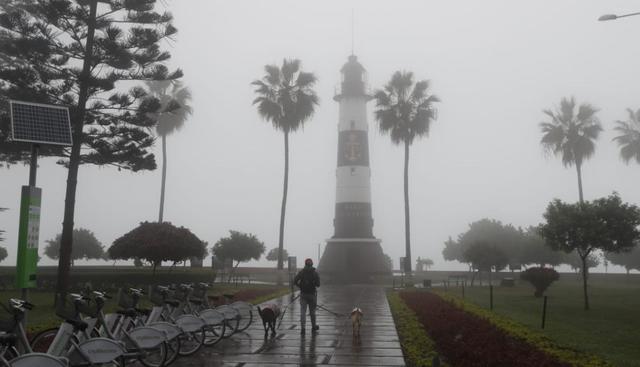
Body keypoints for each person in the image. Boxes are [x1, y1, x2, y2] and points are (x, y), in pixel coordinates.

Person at [293, 258, 320, 335]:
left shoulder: (301, 272)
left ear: (305, 264)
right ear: (312, 264)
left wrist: (300, 286)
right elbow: (318, 284)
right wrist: (314, 283)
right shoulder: (315, 273)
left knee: (303, 312)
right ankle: (313, 326)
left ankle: (303, 328)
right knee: (312, 312)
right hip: (312, 295)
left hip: (303, 294)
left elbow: (295, 281)